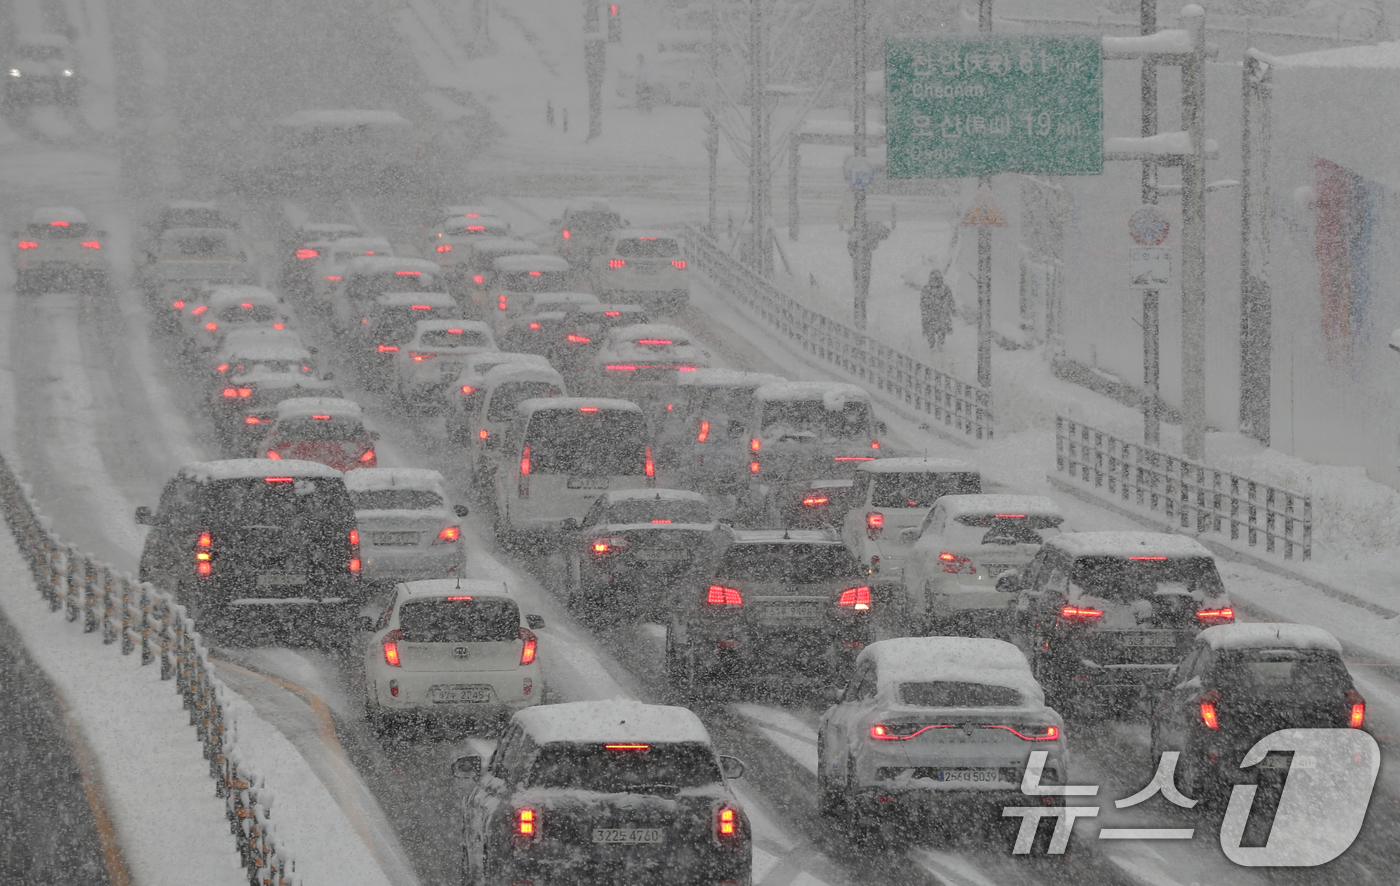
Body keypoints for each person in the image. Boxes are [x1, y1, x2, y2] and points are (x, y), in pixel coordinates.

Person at [920, 269, 954, 350]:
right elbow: (923, 303)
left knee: (941, 330)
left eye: (937, 278)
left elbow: (950, 300)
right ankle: (931, 346)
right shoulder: (926, 290)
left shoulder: (945, 289)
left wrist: (952, 309)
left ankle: (940, 346)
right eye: (934, 278)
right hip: (931, 316)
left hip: (941, 315)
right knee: (930, 332)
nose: (936, 281)